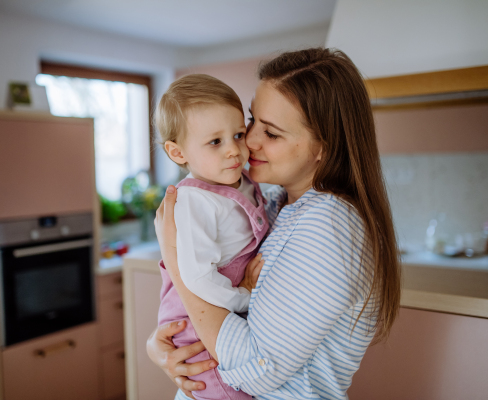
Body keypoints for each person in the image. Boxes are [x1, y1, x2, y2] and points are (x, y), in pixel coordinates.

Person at [148, 48, 401, 400]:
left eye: (272, 133)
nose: (248, 141)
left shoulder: (329, 226)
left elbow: (255, 370)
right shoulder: (275, 204)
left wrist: (176, 262)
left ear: (323, 149)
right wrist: (164, 341)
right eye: (252, 120)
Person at [155, 74, 270, 400]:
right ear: (178, 153)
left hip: (223, 312)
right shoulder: (193, 202)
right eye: (215, 142)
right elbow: (198, 278)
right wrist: (246, 297)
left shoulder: (242, 180)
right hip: (196, 328)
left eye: (237, 134)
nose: (234, 150)